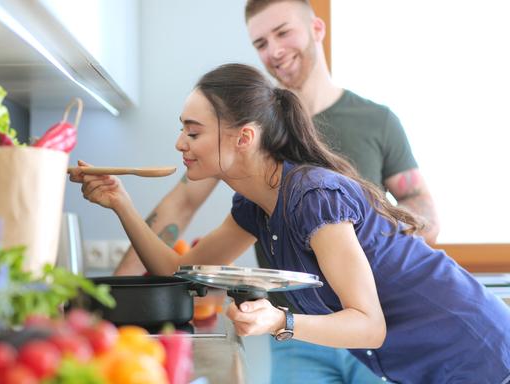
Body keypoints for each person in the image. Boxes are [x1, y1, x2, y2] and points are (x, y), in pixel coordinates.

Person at [70, 63, 510, 384]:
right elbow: (178, 273)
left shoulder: (313, 197)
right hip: (427, 364)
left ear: (244, 137)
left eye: (193, 131)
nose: (180, 143)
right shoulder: (255, 206)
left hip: (475, 347)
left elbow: (368, 324)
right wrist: (120, 203)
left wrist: (279, 321)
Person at [114, 0, 439, 382]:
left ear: (317, 29)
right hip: (292, 329)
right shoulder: (249, 126)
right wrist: (114, 296)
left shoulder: (376, 121)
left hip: (368, 321)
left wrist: (372, 252)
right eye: (261, 42)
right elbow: (181, 206)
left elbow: (421, 208)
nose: (274, 51)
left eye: (283, 33)